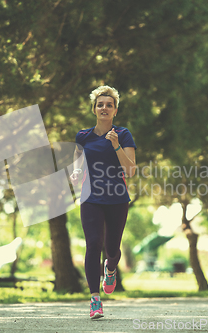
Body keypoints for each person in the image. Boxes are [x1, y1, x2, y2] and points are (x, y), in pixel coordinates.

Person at [70, 85, 137, 319]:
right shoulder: (83, 136)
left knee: (112, 249)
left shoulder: (123, 134)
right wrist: (76, 174)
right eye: (100, 104)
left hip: (118, 198)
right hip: (91, 197)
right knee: (94, 243)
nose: (104, 108)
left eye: (109, 105)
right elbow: (78, 165)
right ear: (94, 109)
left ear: (115, 110)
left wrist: (116, 144)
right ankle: (94, 300)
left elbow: (130, 170)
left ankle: (110, 269)